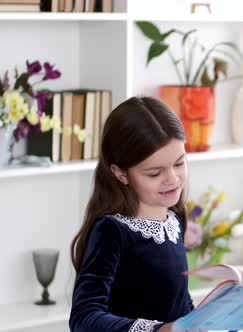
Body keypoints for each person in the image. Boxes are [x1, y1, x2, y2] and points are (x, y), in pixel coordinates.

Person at [69, 96, 199, 332]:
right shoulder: (111, 230)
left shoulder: (174, 217)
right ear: (121, 174)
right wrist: (158, 330)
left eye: (179, 163)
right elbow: (84, 317)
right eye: (154, 173)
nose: (172, 178)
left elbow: (177, 301)